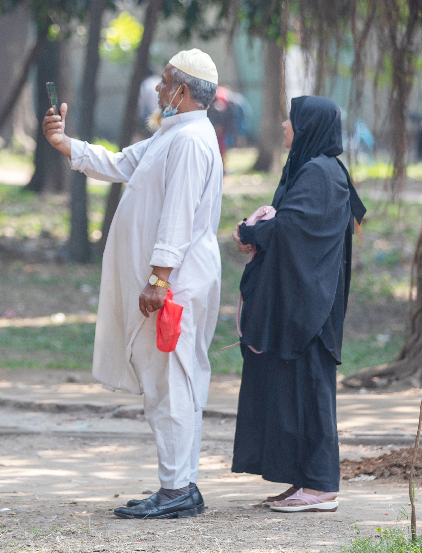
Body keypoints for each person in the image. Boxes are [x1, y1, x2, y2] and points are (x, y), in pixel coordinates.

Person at [43, 49, 224, 519]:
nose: (157, 89)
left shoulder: (190, 140)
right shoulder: (174, 133)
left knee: (171, 384)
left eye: (164, 82)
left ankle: (176, 490)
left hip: (174, 285)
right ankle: (181, 484)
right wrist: (65, 144)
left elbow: (178, 215)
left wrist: (158, 278)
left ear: (182, 91)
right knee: (174, 382)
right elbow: (122, 164)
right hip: (173, 282)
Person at [231, 95, 366, 513]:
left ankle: (322, 486)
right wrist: (257, 229)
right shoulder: (309, 168)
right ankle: (303, 479)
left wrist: (251, 230)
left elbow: (292, 228)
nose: (284, 125)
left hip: (312, 308)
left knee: (311, 391)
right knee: (291, 392)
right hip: (298, 301)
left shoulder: (321, 173)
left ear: (307, 128)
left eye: (291, 120)